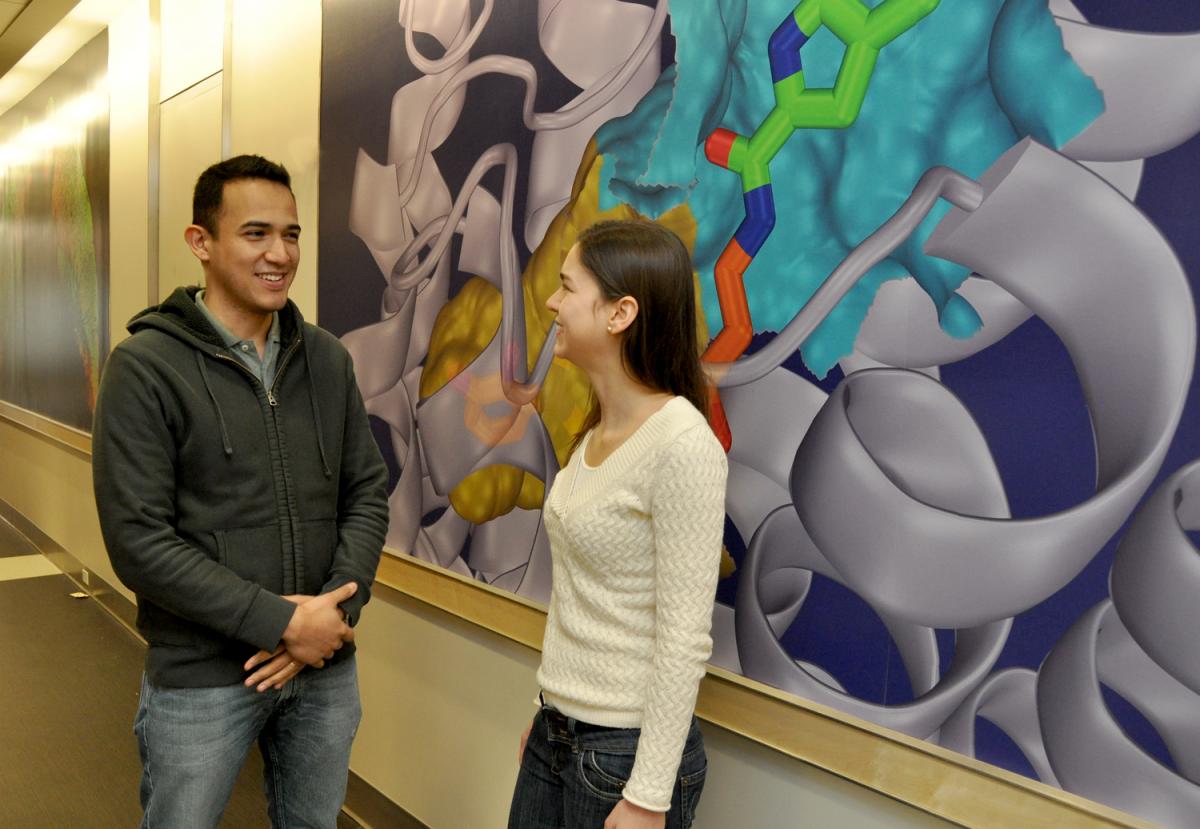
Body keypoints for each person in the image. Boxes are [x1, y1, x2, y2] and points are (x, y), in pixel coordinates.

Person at [92, 154, 389, 828]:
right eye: (256, 234)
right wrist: (282, 622)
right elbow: (139, 540)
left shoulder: (326, 359)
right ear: (202, 242)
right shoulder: (145, 367)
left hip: (322, 671)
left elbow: (367, 492)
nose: (279, 253)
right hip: (202, 676)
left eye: (291, 234)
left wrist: (333, 615)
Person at [508, 220, 729, 829]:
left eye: (567, 287)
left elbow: (684, 636)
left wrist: (650, 795)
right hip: (558, 733)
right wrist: (546, 707)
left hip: (622, 757)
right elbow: (579, 596)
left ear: (619, 313)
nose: (551, 302)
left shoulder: (683, 444)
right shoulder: (596, 430)